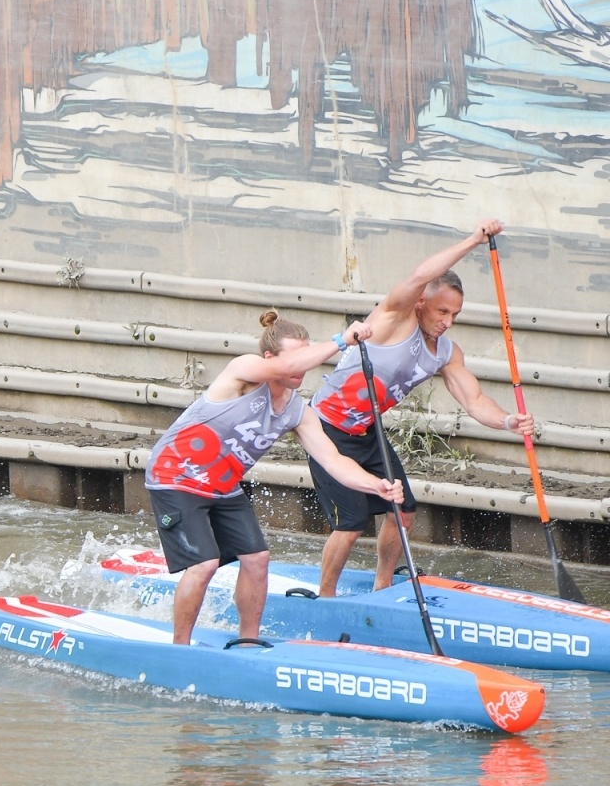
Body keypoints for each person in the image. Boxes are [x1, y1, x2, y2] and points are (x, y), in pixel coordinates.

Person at [145, 310, 404, 644]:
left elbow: (333, 460)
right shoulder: (244, 370)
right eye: (295, 357)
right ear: (270, 358)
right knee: (206, 563)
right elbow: (283, 367)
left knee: (257, 559)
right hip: (175, 475)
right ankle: (179, 648)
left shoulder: (297, 411)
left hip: (222, 486)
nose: (303, 366)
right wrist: (341, 340)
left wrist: (377, 485)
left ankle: (248, 641)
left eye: (305, 356)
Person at [309, 219, 535, 596]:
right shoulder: (394, 319)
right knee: (350, 523)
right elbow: (419, 274)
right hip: (325, 429)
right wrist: (474, 239)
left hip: (368, 432)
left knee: (403, 512)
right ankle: (325, 598)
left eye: (455, 315)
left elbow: (474, 400)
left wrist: (509, 420)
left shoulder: (446, 352)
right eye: (442, 312)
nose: (447, 322)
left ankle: (382, 586)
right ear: (421, 303)